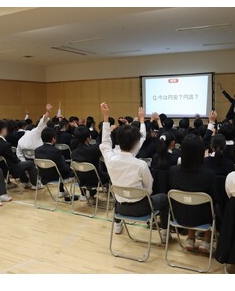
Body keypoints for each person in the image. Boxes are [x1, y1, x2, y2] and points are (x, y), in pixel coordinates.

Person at [99, 103, 170, 243]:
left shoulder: (110, 158)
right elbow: (149, 189)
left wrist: (106, 117)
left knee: (119, 190)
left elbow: (105, 142)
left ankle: (118, 226)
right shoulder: (141, 165)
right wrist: (142, 120)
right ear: (136, 144)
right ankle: (164, 233)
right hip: (142, 209)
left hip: (120, 207)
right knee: (163, 198)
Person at [169, 134, 217, 253]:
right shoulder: (208, 174)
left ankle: (190, 238)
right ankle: (206, 239)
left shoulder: (173, 171)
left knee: (189, 201)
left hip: (179, 217)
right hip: (202, 218)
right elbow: (215, 199)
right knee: (213, 205)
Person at [0, 120, 38, 190]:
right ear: (3, 130)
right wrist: (20, 160)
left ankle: (23, 182)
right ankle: (35, 184)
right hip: (10, 168)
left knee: (21, 163)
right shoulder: (5, 145)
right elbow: (13, 159)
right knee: (30, 163)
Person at [35, 127, 77, 201]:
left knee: (58, 170)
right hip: (56, 177)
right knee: (73, 172)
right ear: (53, 138)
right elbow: (63, 168)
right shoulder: (55, 151)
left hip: (44, 177)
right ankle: (82, 195)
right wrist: (71, 170)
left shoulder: (37, 150)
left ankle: (62, 191)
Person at [71, 125, 109, 203]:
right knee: (109, 174)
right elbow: (105, 145)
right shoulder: (94, 149)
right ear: (88, 137)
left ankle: (86, 195)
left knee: (87, 172)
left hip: (81, 180)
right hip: (97, 180)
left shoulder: (73, 153)